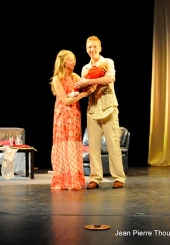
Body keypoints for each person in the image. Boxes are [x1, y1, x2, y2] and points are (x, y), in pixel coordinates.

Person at [73, 36, 126, 189]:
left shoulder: (107, 62)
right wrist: (82, 90)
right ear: (86, 49)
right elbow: (86, 89)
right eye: (89, 47)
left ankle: (118, 178)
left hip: (108, 108)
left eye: (95, 47)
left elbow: (110, 78)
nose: (92, 50)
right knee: (93, 147)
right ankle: (95, 178)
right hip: (93, 109)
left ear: (100, 48)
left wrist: (89, 81)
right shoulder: (85, 68)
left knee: (113, 145)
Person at [50, 50, 92, 191]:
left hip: (74, 115)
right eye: (69, 60)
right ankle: (64, 180)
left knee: (73, 145)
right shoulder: (57, 79)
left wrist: (92, 84)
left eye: (73, 59)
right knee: (64, 145)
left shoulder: (74, 77)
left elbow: (87, 86)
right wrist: (82, 95)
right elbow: (66, 101)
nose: (73, 62)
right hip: (63, 116)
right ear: (63, 62)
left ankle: (74, 178)